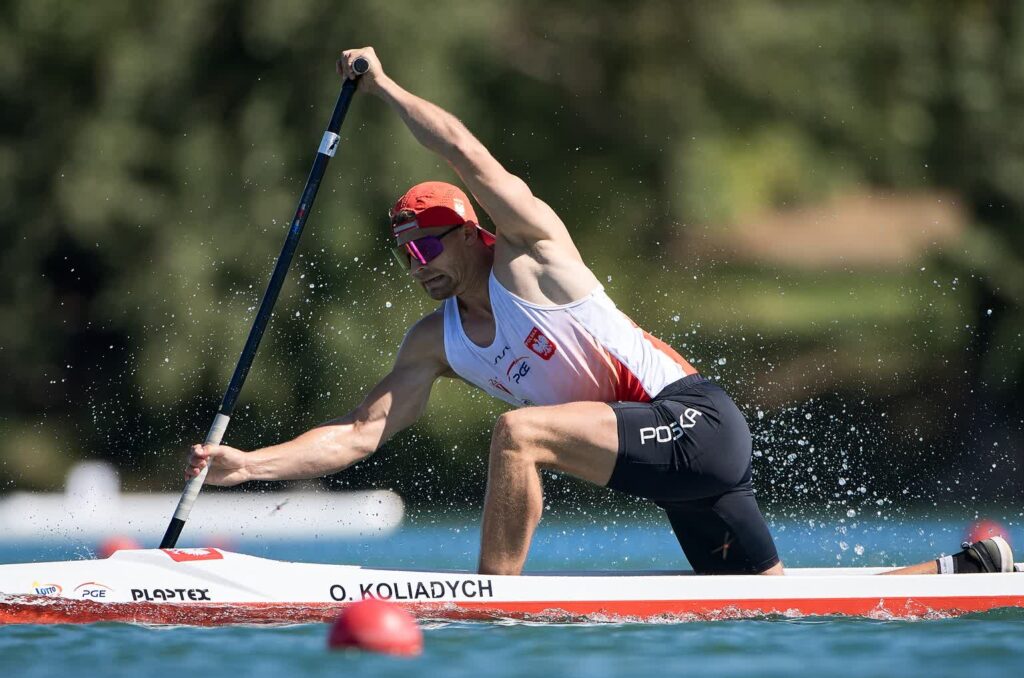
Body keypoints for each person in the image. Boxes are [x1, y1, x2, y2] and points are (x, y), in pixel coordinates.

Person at [187, 47, 1014, 578]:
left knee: (518, 435)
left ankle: (491, 603)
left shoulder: (532, 252)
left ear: (470, 234)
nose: (419, 264)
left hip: (695, 421)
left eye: (429, 244)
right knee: (774, 602)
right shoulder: (434, 342)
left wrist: (384, 85)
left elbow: (466, 153)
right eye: (405, 253)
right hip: (668, 459)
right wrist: (247, 467)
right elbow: (359, 435)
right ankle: (972, 568)